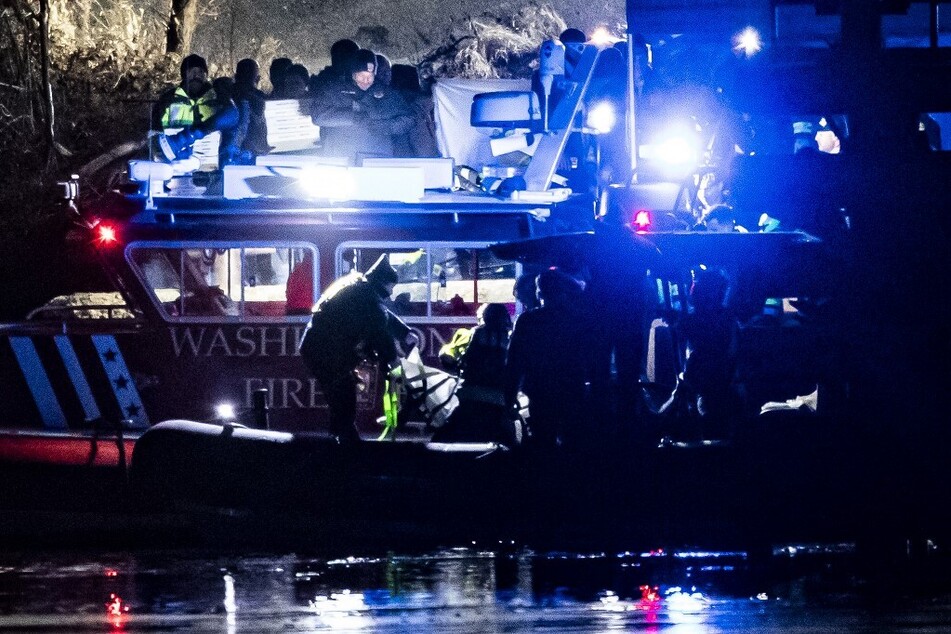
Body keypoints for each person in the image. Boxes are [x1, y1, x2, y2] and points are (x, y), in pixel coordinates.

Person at [299, 254, 406, 444]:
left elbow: (382, 316)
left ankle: (340, 437)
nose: (392, 290)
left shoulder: (360, 290)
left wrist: (404, 331)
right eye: (391, 285)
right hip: (327, 353)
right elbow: (379, 330)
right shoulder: (369, 301)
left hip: (318, 349)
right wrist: (392, 362)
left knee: (340, 393)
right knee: (343, 393)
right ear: (383, 283)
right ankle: (347, 443)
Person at [504, 269, 590, 449]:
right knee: (572, 444)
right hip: (572, 389)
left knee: (543, 442)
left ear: (539, 293)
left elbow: (514, 362)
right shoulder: (579, 319)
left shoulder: (528, 321)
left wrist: (509, 399)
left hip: (540, 392)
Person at [659, 268, 740, 441]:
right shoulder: (722, 317)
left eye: (698, 287)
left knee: (703, 415)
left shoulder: (717, 319)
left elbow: (704, 338)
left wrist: (677, 322)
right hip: (708, 382)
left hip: (709, 383)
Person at [310, 49, 415, 164]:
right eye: (361, 76)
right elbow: (318, 116)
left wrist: (387, 127)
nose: (366, 81)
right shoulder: (334, 90)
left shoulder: (387, 93)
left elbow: (409, 119)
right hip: (342, 158)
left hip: (377, 159)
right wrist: (353, 117)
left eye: (370, 76)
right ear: (353, 74)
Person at [431, 304, 515, 445]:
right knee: (510, 443)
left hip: (471, 395)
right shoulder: (511, 337)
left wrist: (457, 363)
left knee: (441, 439)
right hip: (500, 398)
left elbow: (464, 357)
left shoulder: (476, 333)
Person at [152, 54, 239, 162]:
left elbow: (233, 120)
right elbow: (154, 132)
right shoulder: (168, 100)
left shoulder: (218, 98)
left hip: (209, 165)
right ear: (184, 74)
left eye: (201, 72)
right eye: (192, 71)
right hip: (174, 163)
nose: (196, 76)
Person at [224, 58, 271, 165]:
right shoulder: (260, 99)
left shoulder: (226, 96)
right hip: (239, 152)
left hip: (242, 153)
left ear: (235, 77)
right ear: (257, 79)